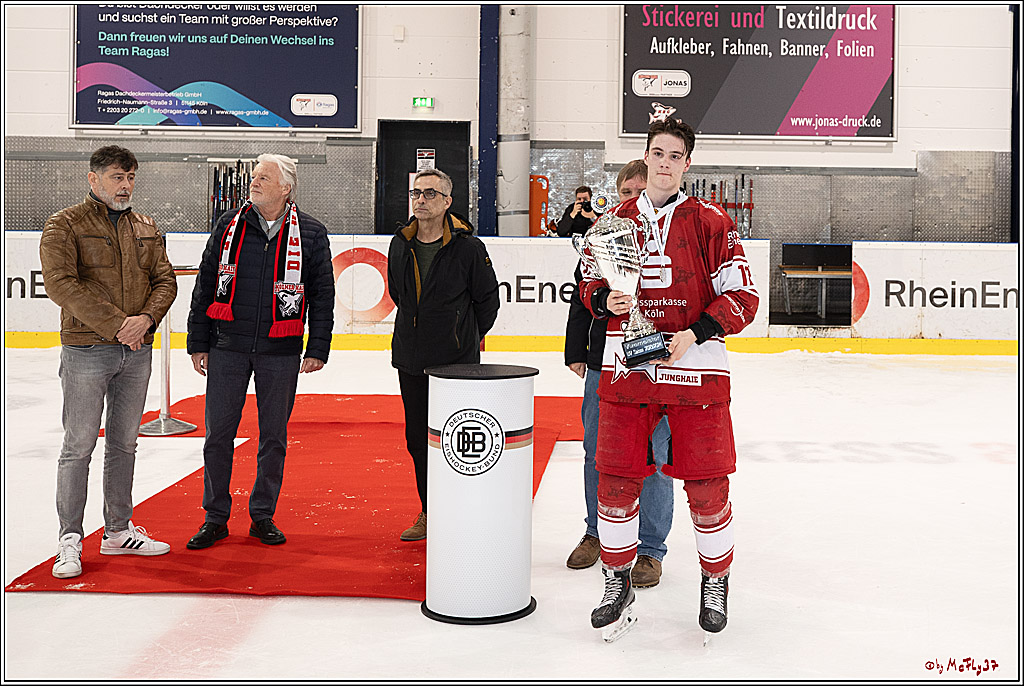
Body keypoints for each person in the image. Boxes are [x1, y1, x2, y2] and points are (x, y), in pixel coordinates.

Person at [579, 118, 759, 642]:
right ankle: (617, 581)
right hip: (627, 368)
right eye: (656, 153)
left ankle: (714, 582)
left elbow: (743, 298)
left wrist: (695, 331)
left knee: (706, 484)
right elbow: (588, 284)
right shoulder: (615, 221)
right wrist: (602, 299)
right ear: (647, 156)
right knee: (614, 479)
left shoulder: (711, 222)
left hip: (696, 372)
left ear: (687, 163)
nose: (664, 163)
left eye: (674, 155)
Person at [40, 145, 178, 579]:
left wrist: (147, 319)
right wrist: (121, 324)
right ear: (93, 179)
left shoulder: (146, 226)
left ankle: (118, 531)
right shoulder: (65, 224)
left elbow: (165, 279)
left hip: (135, 352)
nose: (126, 185)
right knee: (78, 446)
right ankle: (69, 539)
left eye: (131, 177)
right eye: (118, 176)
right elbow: (62, 285)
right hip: (87, 350)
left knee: (124, 444)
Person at [185, 153, 334, 549]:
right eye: (254, 177)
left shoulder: (313, 234)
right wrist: (198, 342)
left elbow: (323, 297)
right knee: (218, 435)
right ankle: (215, 517)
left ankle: (262, 515)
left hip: (280, 351)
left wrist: (318, 347)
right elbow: (205, 285)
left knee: (273, 437)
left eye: (264, 178)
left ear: (285, 187)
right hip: (227, 348)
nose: (255, 183)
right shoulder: (228, 226)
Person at [564, 159, 675, 590]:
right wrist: (576, 350)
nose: (631, 200)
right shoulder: (603, 236)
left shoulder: (671, 240)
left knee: (655, 453)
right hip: (603, 361)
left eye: (638, 192)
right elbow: (582, 296)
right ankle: (596, 532)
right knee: (597, 448)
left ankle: (649, 548)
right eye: (625, 192)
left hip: (657, 364)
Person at [387, 168, 500, 541]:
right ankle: (429, 510)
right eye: (416, 193)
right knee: (419, 441)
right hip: (411, 359)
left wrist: (462, 337)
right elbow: (399, 295)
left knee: (458, 444)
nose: (421, 199)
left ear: (448, 202)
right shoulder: (400, 243)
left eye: (430, 194)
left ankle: (462, 513)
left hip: (457, 364)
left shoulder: (469, 248)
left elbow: (487, 302)